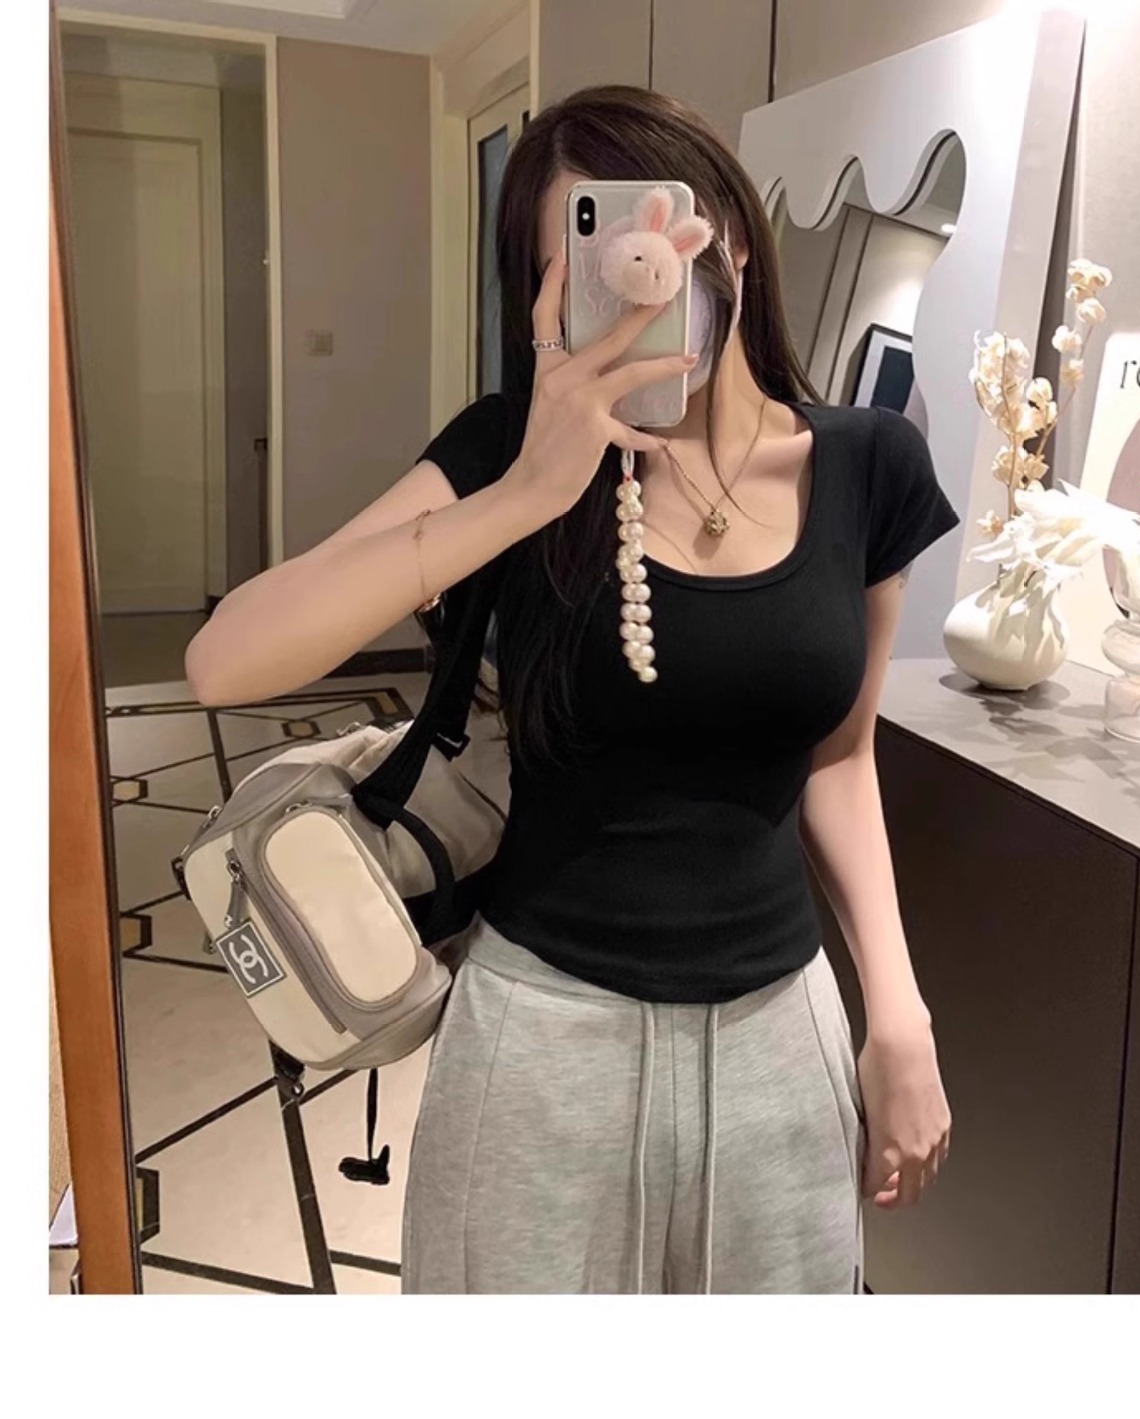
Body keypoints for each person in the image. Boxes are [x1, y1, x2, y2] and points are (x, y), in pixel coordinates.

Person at [185, 83, 960, 1297]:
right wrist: (526, 495)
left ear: (730, 240)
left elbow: (841, 757)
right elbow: (226, 659)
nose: (638, 288)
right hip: (542, 1038)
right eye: (590, 266)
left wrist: (898, 1013)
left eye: (661, 233)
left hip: (779, 1038)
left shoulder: (871, 466)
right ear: (544, 300)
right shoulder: (510, 452)